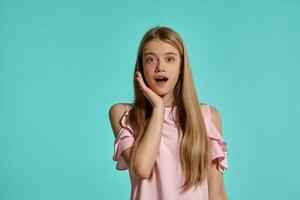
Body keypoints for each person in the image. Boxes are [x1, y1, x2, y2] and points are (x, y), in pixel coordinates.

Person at [109, 26, 229, 200]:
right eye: (150, 60)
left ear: (181, 67)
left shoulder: (207, 117)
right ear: (141, 68)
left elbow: (217, 193)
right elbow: (142, 168)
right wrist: (158, 108)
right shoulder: (124, 115)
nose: (160, 67)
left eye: (170, 59)